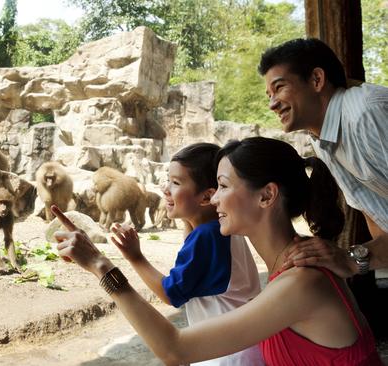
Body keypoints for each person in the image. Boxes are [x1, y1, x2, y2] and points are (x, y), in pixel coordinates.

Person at [53, 137, 381, 365]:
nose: (214, 199)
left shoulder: (301, 282)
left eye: (223, 187)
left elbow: (174, 349)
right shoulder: (291, 268)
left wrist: (99, 264)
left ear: (266, 196)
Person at [110, 142, 263, 365]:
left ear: (206, 197)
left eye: (175, 183)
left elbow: (170, 293)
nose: (165, 189)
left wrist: (135, 257)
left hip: (224, 357)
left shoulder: (206, 237)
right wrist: (187, 216)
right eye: (167, 180)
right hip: (241, 350)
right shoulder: (223, 228)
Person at [257, 38, 388, 280]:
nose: (272, 104)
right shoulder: (322, 140)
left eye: (279, 87)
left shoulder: (366, 114)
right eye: (269, 94)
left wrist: (350, 258)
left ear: (317, 79)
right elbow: (377, 219)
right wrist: (352, 258)